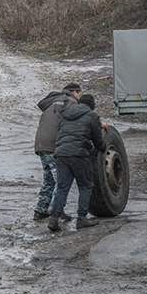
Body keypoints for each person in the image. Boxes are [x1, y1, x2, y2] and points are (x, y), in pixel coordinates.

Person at [48, 91, 107, 232]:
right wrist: (104, 147)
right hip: (79, 154)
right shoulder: (92, 116)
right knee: (85, 185)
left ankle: (54, 219)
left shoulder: (65, 115)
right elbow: (98, 140)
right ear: (91, 105)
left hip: (61, 154)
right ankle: (82, 218)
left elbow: (60, 133)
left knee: (62, 187)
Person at [33, 82, 83, 220]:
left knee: (49, 178)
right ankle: (57, 210)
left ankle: (41, 210)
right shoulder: (70, 102)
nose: (80, 97)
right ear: (74, 92)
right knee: (61, 179)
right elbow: (80, 121)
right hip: (54, 144)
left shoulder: (51, 103)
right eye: (79, 93)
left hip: (40, 143)